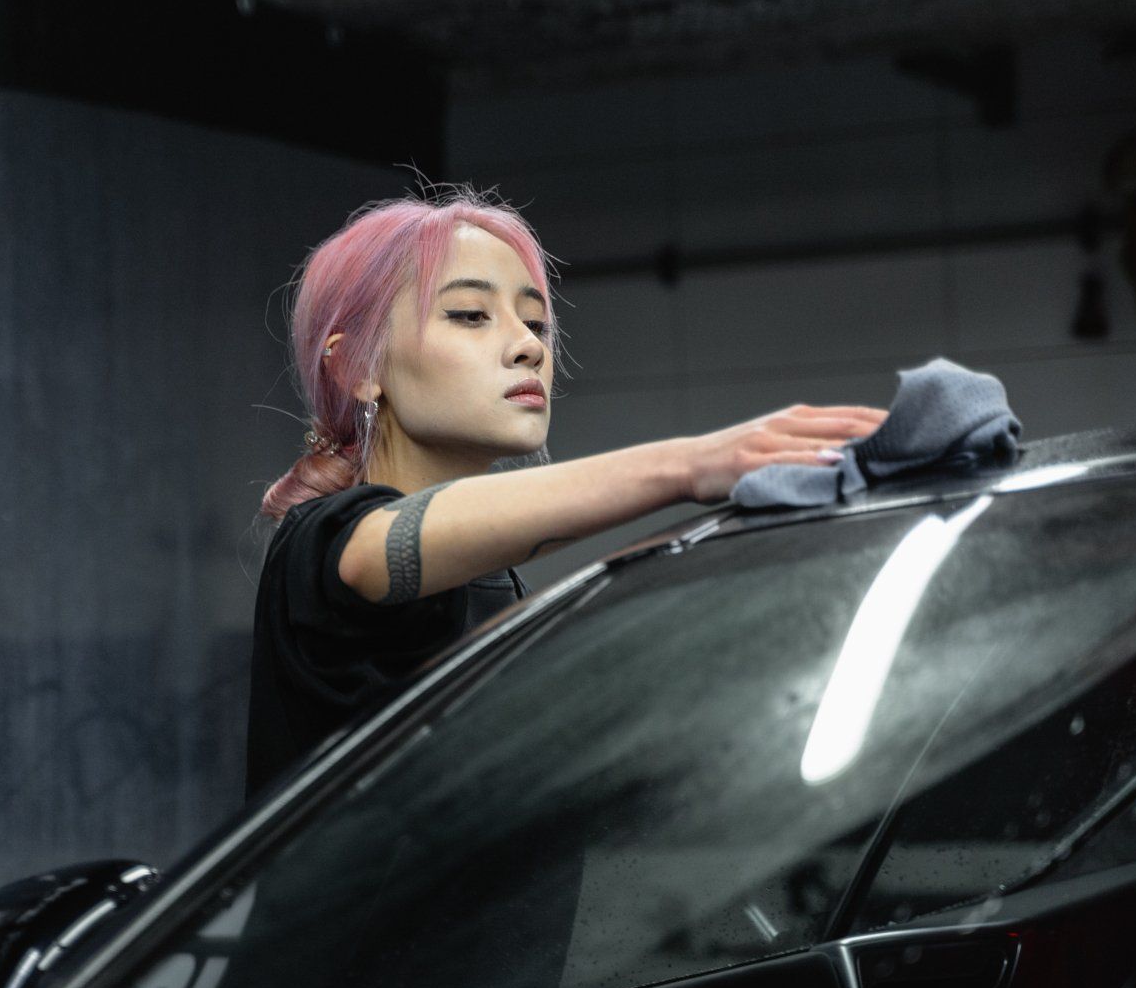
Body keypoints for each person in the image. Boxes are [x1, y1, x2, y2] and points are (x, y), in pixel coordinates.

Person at [244, 188, 888, 801]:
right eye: (470, 314)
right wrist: (689, 465)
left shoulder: (499, 586)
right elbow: (381, 548)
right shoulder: (319, 547)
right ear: (357, 366)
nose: (528, 346)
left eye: (536, 323)